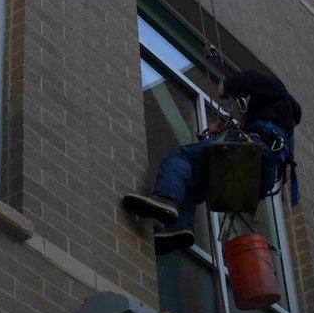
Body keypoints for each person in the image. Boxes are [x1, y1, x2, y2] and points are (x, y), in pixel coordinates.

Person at [122, 67, 301, 253]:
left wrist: (226, 85)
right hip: (262, 173)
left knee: (180, 156)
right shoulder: (280, 116)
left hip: (252, 154)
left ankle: (166, 199)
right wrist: (223, 129)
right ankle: (180, 226)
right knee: (191, 183)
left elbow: (249, 80)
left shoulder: (273, 88)